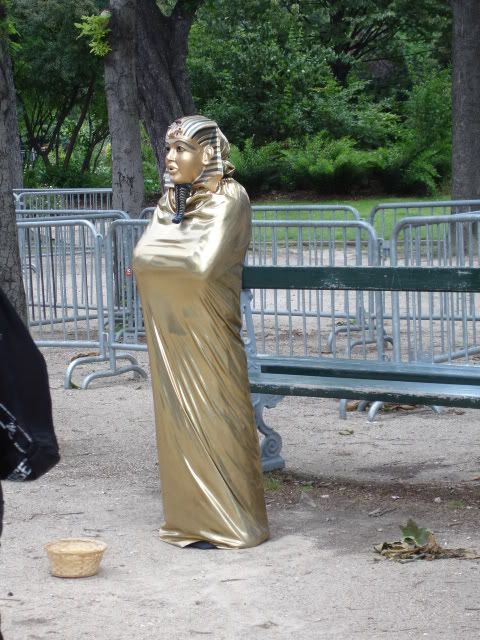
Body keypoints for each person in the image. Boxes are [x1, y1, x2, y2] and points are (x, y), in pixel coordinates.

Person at [133, 115, 269, 549]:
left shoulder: (231, 198)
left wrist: (164, 263)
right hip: (170, 335)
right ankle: (189, 519)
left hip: (210, 336)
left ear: (208, 153)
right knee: (176, 425)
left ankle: (231, 522)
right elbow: (146, 259)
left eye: (181, 149)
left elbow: (203, 266)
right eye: (167, 148)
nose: (170, 158)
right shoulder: (169, 202)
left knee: (217, 419)